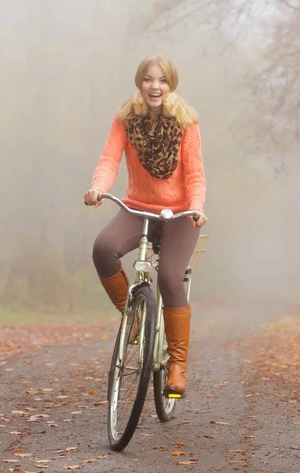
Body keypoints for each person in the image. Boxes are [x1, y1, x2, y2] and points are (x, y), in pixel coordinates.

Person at [84, 53, 207, 397]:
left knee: (169, 277)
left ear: (172, 85)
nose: (156, 86)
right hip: (137, 208)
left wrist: (196, 208)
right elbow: (109, 159)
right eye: (149, 79)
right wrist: (98, 188)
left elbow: (196, 175)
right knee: (103, 249)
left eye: (163, 80)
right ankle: (133, 318)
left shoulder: (187, 122)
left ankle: (177, 365)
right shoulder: (125, 119)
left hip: (180, 215)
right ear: (140, 82)